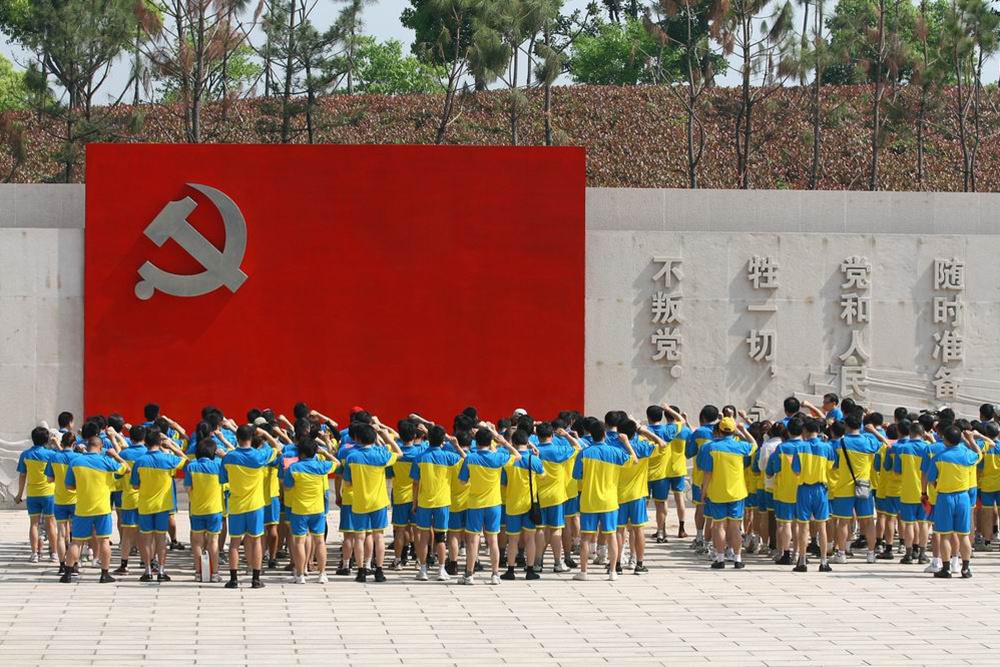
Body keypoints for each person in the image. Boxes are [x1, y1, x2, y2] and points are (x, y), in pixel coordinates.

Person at [60, 423, 128, 583]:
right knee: (104, 540)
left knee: (76, 541)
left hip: (82, 508)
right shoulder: (106, 461)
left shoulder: (75, 462)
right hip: (102, 508)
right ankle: (104, 574)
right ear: (101, 446)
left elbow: (69, 486)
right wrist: (116, 455)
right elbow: (126, 469)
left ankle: (67, 573)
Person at [572, 422, 636, 581]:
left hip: (589, 501)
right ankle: (613, 571)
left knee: (586, 537)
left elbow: (576, 475)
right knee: (611, 535)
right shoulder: (615, 452)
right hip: (609, 501)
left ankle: (584, 572)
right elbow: (634, 460)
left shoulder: (584, 453)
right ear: (605, 434)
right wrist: (626, 443)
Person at [457, 426, 520, 585]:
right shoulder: (498, 457)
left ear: (475, 441)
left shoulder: (470, 458)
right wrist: (504, 442)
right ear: (491, 441)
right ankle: (495, 574)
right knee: (493, 540)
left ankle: (469, 575)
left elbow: (462, 481)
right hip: (494, 504)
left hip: (475, 504)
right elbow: (518, 456)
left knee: (473, 540)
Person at [219, 424, 281, 589]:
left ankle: (233, 579)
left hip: (236, 505)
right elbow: (277, 447)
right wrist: (266, 433)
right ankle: (255, 579)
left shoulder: (229, 457)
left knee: (234, 543)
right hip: (256, 505)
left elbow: (223, 479)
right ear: (252, 438)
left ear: (237, 438)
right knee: (256, 541)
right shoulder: (259, 456)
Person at [342, 420, 401, 583]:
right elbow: (399, 453)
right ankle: (379, 571)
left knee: (359, 537)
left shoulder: (351, 457)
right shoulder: (381, 456)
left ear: (358, 439)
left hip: (360, 501)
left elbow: (347, 482)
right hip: (379, 502)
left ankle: (361, 571)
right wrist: (385, 436)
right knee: (379, 536)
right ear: (373, 438)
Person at [699, 417, 757, 569]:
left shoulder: (710, 447)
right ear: (733, 431)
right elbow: (754, 445)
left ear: (718, 430)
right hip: (737, 492)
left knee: (719, 526)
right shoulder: (740, 446)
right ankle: (737, 558)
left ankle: (720, 559)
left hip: (717, 492)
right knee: (735, 526)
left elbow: (707, 472)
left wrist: (704, 491)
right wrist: (743, 431)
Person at [131, 427, 188, 582]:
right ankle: (162, 571)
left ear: (146, 442)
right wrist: (172, 447)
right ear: (159, 442)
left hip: (145, 505)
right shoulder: (168, 459)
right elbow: (187, 462)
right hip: (163, 506)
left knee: (146, 539)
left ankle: (148, 571)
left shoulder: (139, 461)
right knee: (161, 538)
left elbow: (134, 485)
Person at [926, 426, 982, 578]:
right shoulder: (967, 454)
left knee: (945, 535)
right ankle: (966, 569)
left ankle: (946, 569)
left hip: (945, 498)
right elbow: (979, 454)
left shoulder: (939, 457)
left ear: (944, 439)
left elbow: (930, 479)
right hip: (963, 497)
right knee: (963, 535)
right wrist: (971, 440)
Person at [410, 425, 465, 581]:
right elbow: (466, 459)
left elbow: (415, 483)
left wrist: (414, 502)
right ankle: (441, 569)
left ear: (428, 439)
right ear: (442, 440)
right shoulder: (448, 456)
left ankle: (423, 570)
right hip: (442, 502)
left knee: (423, 537)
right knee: (441, 537)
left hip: (424, 502)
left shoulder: (419, 458)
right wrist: (456, 446)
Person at [829, 414, 882, 564]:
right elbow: (882, 443)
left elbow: (835, 465)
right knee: (868, 521)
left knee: (843, 521)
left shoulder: (840, 443)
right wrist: (873, 431)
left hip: (844, 487)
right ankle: (871, 554)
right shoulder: (869, 442)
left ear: (846, 426)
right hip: (864, 487)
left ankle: (841, 553)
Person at [285, 437, 334, 584]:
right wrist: (324, 453)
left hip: (299, 509)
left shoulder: (293, 468)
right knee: (319, 542)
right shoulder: (322, 466)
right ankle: (322, 574)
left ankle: (300, 574)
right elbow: (337, 463)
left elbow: (287, 488)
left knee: (299, 542)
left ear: (300, 452)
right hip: (318, 509)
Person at [791, 418, 835, 572]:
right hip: (821, 489)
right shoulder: (827, 447)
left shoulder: (800, 447)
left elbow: (796, 470)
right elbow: (831, 467)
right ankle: (823, 561)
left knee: (803, 526)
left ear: (805, 431)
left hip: (804, 488)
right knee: (821, 525)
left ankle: (802, 561)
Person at [533, 422, 577, 573]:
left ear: (537, 435)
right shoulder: (559, 450)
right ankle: (558, 563)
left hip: (539, 496)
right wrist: (567, 435)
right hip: (556, 497)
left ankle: (537, 562)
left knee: (540, 529)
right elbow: (578, 447)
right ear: (551, 435)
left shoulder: (534, 451)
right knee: (556, 530)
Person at [501, 430, 544, 580]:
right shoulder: (534, 460)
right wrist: (537, 457)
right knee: (530, 539)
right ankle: (530, 570)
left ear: (512, 443)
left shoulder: (509, 460)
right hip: (530, 505)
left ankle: (510, 570)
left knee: (513, 539)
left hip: (512, 505)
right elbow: (543, 476)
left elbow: (503, 483)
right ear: (527, 442)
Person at [14, 426, 58, 564]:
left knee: (34, 524)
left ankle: (34, 554)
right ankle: (54, 553)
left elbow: (22, 475)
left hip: (32, 494)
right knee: (51, 524)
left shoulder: (25, 455)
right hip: (49, 493)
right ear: (46, 440)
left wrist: (19, 494)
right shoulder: (51, 454)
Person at [184, 438, 225, 582]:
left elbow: (187, 488)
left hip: (197, 510)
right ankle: (215, 574)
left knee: (197, 543)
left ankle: (198, 573)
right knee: (213, 542)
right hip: (214, 509)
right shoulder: (218, 465)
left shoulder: (191, 466)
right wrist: (223, 455)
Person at [646, 404, 687, 542]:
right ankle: (661, 532)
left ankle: (636, 530)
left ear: (648, 417)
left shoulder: (644, 432)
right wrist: (668, 409)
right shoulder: (668, 430)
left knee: (642, 505)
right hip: (661, 476)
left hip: (644, 476)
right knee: (661, 504)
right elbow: (682, 421)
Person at [389, 420, 426, 569]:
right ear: (415, 435)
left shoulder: (395, 455)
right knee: (418, 531)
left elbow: (389, 473)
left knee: (400, 530)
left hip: (399, 497)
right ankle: (419, 561)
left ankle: (398, 560)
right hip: (417, 497)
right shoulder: (420, 454)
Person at [893, 421, 930, 564]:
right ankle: (922, 554)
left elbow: (897, 470)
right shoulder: (928, 448)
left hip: (907, 491)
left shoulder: (902, 448)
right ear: (923, 433)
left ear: (910, 433)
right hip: (925, 492)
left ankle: (908, 554)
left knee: (908, 524)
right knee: (923, 523)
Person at [114, 424, 148, 575]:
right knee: (145, 532)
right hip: (146, 498)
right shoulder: (148, 453)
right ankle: (147, 562)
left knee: (127, 533)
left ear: (131, 437)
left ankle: (124, 564)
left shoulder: (124, 454)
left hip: (128, 498)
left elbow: (117, 474)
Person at [44, 432, 79, 574]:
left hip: (59, 499)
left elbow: (49, 479)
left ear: (62, 442)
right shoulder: (78, 458)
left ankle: (62, 564)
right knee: (76, 535)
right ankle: (74, 564)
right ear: (74, 444)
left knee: (61, 534)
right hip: (76, 499)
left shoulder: (54, 457)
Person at [686, 406, 720, 551]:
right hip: (720, 476)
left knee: (700, 506)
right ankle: (714, 541)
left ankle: (700, 537)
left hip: (700, 476)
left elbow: (689, 453)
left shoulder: (699, 432)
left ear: (702, 417)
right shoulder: (724, 430)